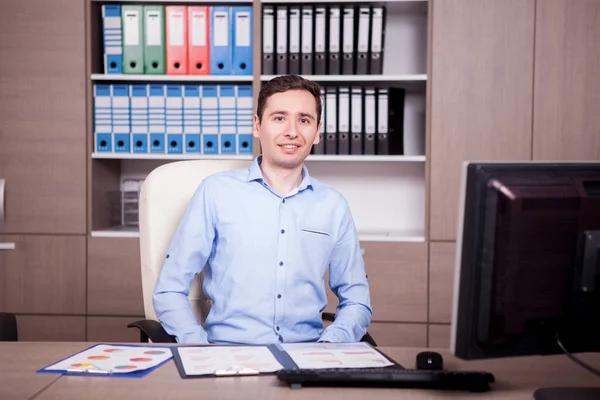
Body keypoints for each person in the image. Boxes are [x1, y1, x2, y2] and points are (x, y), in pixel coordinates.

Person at [153, 75, 372, 345]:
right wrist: (197, 346)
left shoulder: (333, 206)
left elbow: (357, 301)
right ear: (257, 125)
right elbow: (169, 289)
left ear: (317, 132)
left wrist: (331, 344)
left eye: (304, 120)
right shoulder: (216, 193)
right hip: (228, 357)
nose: (292, 131)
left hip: (307, 358)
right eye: (279, 118)